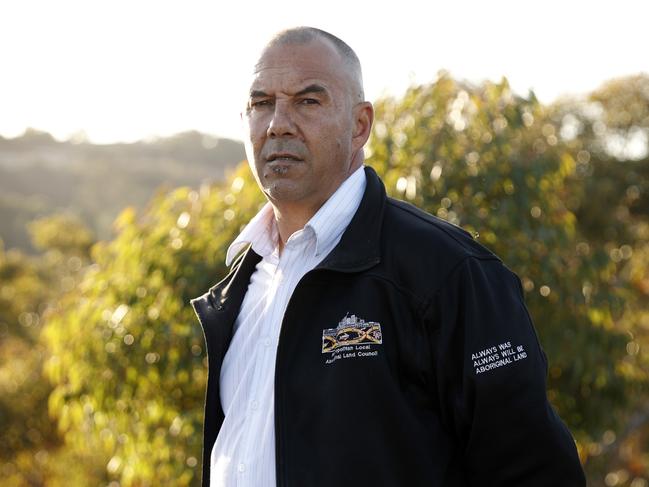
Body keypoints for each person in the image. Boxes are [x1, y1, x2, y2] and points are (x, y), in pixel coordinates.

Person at [191, 26, 586, 487]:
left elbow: (533, 472)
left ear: (360, 125)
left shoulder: (449, 272)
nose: (278, 123)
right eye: (261, 104)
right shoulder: (238, 289)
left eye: (308, 101)